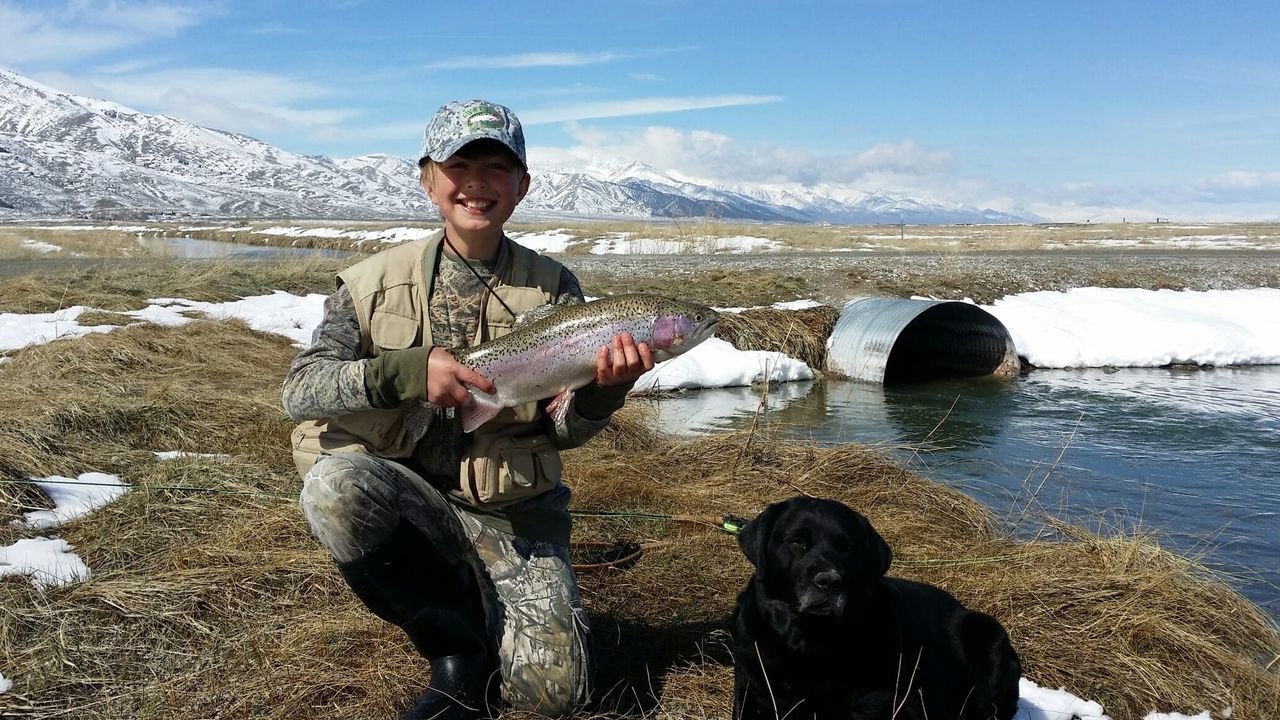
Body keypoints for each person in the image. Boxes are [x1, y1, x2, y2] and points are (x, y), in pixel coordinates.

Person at [281, 99, 655, 720]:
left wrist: (605, 390)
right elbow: (302, 390)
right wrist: (404, 372)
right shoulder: (368, 283)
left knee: (553, 697)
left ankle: (489, 596)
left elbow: (563, 431)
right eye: (459, 165)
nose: (477, 182)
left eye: (497, 167)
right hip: (411, 504)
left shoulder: (556, 289)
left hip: (514, 512)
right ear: (429, 180)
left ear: (522, 187)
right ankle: (453, 646)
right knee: (334, 486)